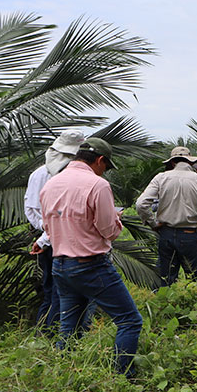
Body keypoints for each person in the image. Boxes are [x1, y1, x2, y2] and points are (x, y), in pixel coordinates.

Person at [40, 139, 143, 377]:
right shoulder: (98, 185)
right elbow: (109, 230)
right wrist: (117, 220)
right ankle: (123, 377)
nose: (104, 171)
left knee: (69, 326)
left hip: (60, 264)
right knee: (129, 321)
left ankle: (64, 374)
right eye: (106, 166)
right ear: (100, 161)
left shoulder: (51, 184)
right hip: (90, 266)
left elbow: (48, 226)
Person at [24, 130, 86, 331]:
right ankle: (50, 334)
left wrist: (47, 234)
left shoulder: (76, 176)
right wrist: (47, 234)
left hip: (61, 240)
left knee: (62, 291)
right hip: (54, 243)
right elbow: (33, 210)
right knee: (55, 289)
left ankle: (54, 335)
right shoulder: (41, 174)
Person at [136, 146, 197, 285]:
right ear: (190, 162)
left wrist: (153, 223)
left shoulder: (161, 178)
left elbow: (141, 204)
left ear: (173, 162)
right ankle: (192, 304)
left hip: (166, 233)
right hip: (189, 233)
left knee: (166, 277)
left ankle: (164, 303)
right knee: (194, 278)